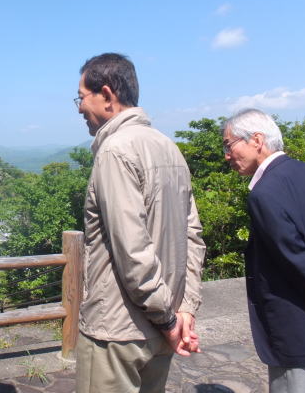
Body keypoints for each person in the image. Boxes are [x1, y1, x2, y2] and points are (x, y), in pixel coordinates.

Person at [74, 53, 206, 392]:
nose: (79, 108)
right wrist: (184, 310)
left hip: (118, 330)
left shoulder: (115, 151)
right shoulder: (169, 147)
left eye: (81, 97)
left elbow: (132, 251)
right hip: (161, 328)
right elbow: (192, 237)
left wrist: (168, 319)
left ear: (107, 95)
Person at [222, 108, 305, 393]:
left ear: (257, 140)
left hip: (301, 334)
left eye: (229, 145)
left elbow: (300, 264)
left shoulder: (265, 193)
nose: (227, 156)